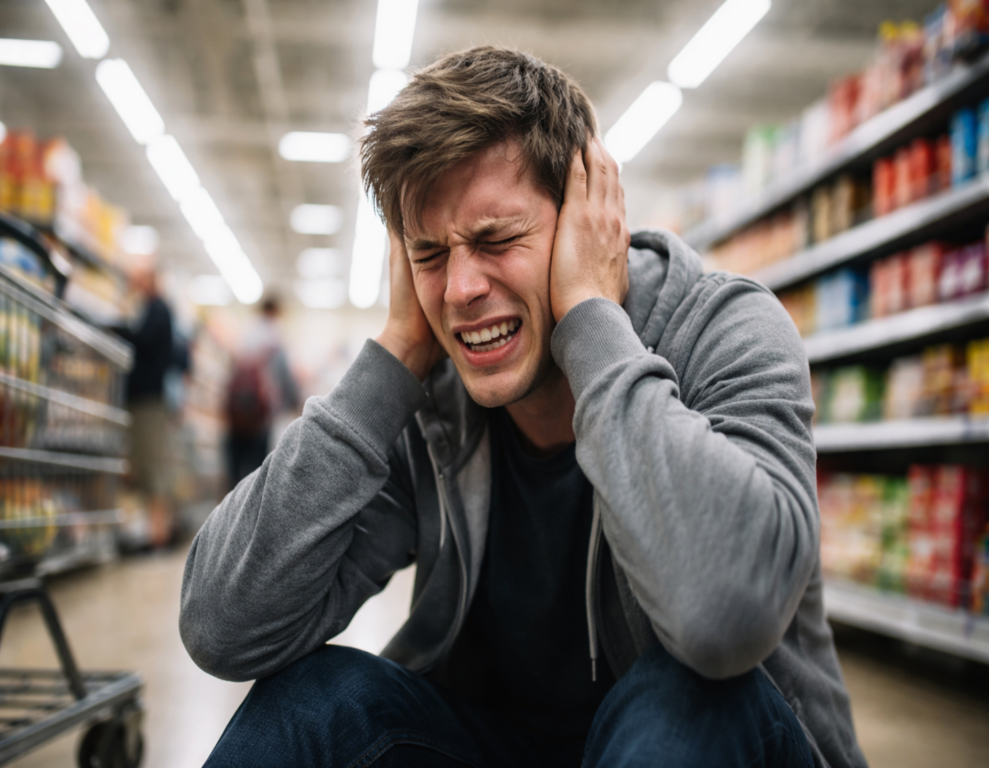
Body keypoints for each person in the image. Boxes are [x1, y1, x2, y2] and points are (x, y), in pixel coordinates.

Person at [181, 47, 867, 768]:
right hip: (498, 743)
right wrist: (395, 355)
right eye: (430, 253)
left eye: (496, 239)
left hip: (705, 745)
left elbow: (724, 620)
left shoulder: (724, 330)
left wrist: (591, 320)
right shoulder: (431, 400)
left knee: (684, 699)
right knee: (312, 701)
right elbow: (223, 627)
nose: (460, 290)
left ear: (584, 222)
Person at [113, 258, 174, 549]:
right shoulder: (149, 308)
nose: (133, 282)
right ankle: (152, 530)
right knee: (146, 464)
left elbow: (143, 341)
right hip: (145, 398)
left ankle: (158, 534)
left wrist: (115, 328)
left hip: (149, 399)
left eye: (139, 277)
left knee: (152, 465)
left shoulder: (158, 309)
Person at [223, 295, 299, 490]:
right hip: (261, 413)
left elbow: (231, 369)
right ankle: (252, 503)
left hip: (237, 413)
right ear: (275, 311)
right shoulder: (276, 337)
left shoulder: (246, 333)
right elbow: (285, 377)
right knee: (257, 469)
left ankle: (230, 501)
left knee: (235, 466)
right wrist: (291, 404)